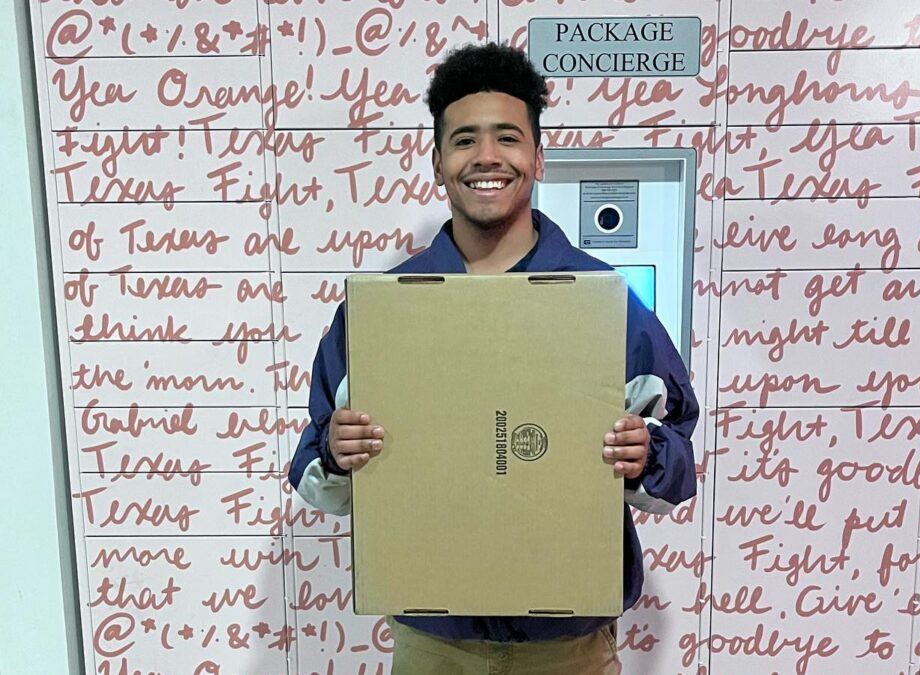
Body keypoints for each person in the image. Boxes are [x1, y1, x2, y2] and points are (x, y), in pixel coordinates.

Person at [288, 42, 698, 674]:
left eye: (507, 137)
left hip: (569, 652)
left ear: (537, 157)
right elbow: (318, 478)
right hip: (433, 649)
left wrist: (645, 454)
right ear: (436, 161)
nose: (486, 157)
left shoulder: (606, 305)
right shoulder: (382, 315)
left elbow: (675, 465)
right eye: (464, 140)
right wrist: (337, 454)